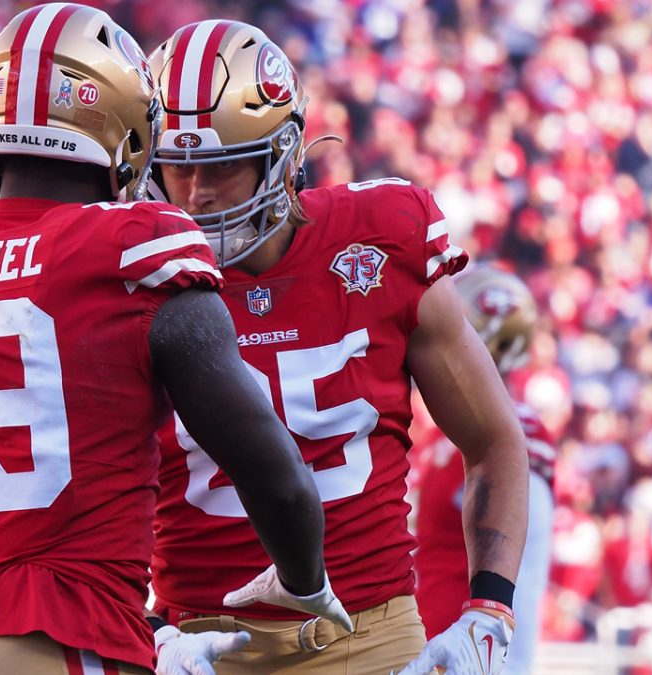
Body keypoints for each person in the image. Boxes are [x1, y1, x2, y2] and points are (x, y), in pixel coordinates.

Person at [0, 5, 350, 675]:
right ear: (127, 131)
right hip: (72, 638)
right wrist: (306, 582)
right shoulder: (135, 247)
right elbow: (278, 482)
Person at [145, 20, 529, 675]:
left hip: (368, 636)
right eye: (175, 167)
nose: (195, 193)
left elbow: (494, 440)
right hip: (199, 646)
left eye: (222, 165)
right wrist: (151, 629)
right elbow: (76, 501)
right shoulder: (135, 272)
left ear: (283, 153)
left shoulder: (380, 240)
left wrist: (489, 610)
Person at [411, 264, 557, 675]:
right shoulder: (444, 431)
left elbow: (524, 565)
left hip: (463, 655)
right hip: (427, 644)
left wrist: (503, 662)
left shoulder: (516, 433)